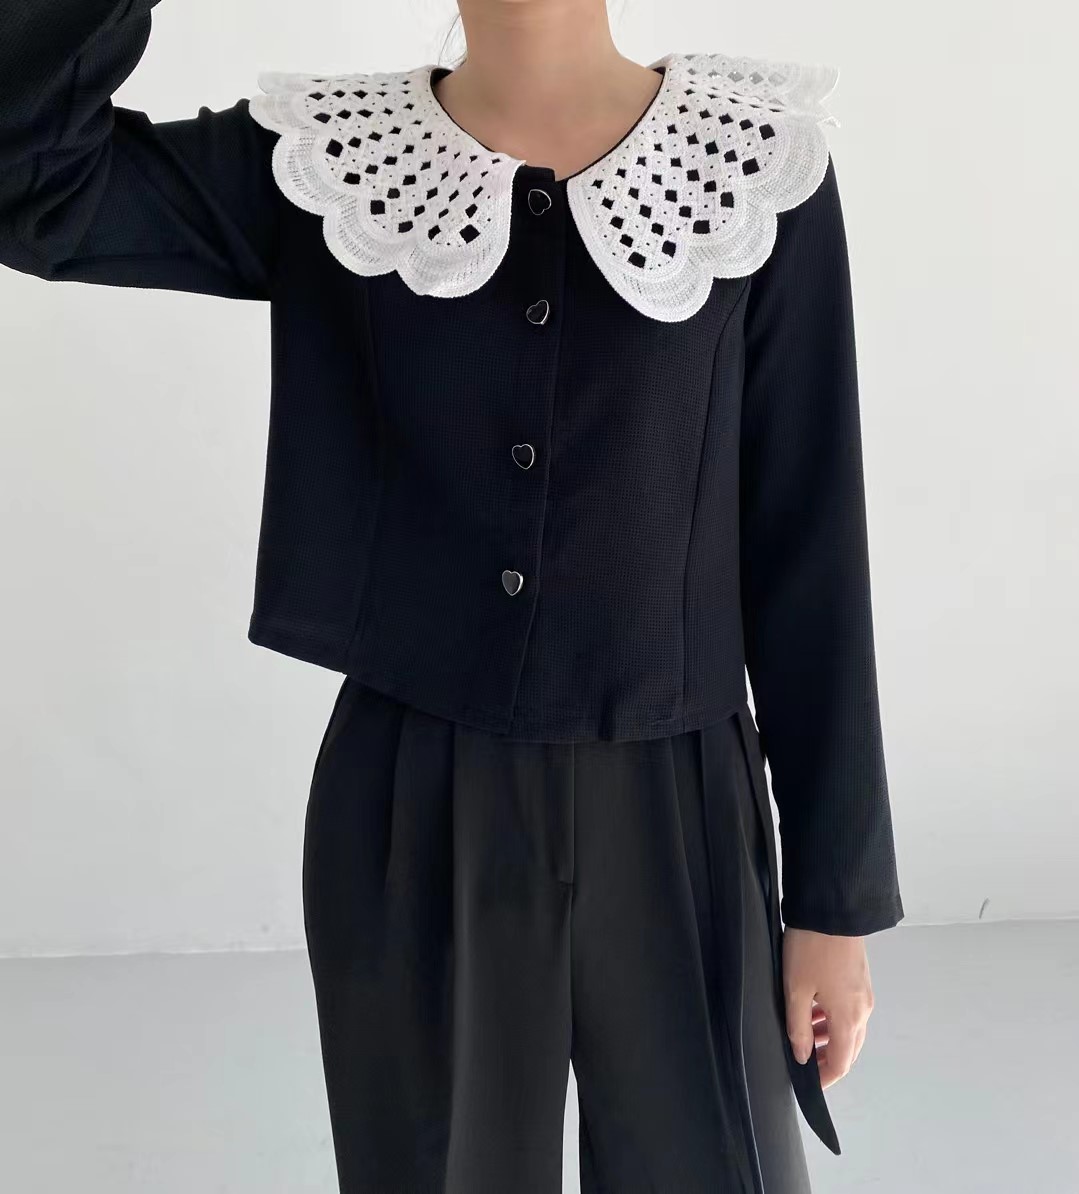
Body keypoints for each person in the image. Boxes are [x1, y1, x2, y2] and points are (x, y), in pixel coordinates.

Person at [0, 1, 905, 1191]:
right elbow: (31, 181)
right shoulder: (328, 162)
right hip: (410, 807)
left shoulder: (752, 162)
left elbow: (808, 539)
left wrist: (831, 902)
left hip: (681, 804)